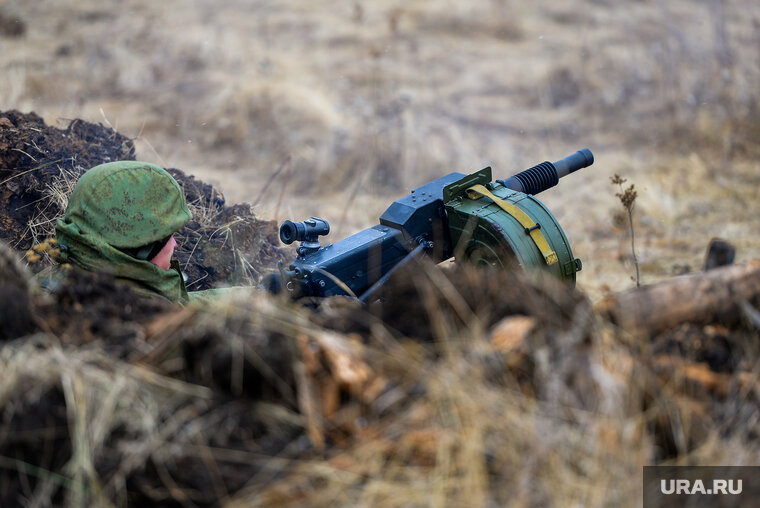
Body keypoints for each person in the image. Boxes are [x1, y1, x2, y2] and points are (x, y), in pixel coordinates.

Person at [39, 161, 196, 303]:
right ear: (142, 247)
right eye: (166, 236)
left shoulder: (54, 281)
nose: (175, 244)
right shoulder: (141, 312)